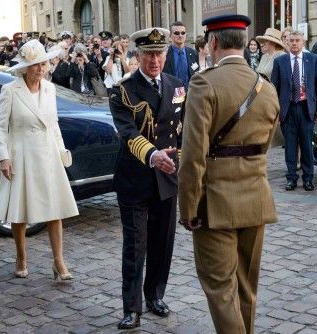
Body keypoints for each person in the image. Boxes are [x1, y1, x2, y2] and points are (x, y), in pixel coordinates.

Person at [178, 14, 279, 334]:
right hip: (256, 199)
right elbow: (269, 142)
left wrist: (188, 209)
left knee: (221, 289)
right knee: (246, 288)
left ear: (214, 43)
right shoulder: (267, 87)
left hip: (215, 204)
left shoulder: (204, 82)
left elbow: (192, 156)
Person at [0, 40, 78, 280]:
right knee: (20, 211)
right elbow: (0, 127)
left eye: (44, 64)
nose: (41, 69)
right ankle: (21, 256)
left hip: (48, 155)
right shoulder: (10, 90)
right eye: (36, 65)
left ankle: (59, 262)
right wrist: (3, 158)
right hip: (21, 154)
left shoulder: (50, 88)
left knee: (55, 210)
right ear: (25, 67)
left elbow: (53, 123)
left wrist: (61, 151)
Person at [109, 27, 185, 330]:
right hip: (136, 178)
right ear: (138, 56)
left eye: (159, 53)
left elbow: (185, 128)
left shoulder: (178, 86)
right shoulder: (122, 91)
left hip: (168, 177)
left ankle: (155, 295)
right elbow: (127, 133)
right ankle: (132, 308)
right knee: (135, 245)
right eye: (148, 54)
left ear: (166, 54)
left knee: (162, 243)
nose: (154, 60)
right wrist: (153, 154)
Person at [271, 31, 317, 191]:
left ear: (303, 42)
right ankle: (291, 178)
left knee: (307, 145)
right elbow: (274, 88)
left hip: (306, 108)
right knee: (290, 146)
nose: (294, 43)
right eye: (291, 40)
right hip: (287, 109)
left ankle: (308, 178)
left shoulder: (313, 59)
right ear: (287, 43)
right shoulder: (280, 61)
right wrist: (276, 111)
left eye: (297, 40)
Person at [163, 21, 199, 89]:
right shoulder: (164, 55)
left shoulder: (194, 53)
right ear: (170, 36)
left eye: (183, 33)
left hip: (191, 95)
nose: (180, 35)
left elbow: (196, 75)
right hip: (172, 95)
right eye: (176, 33)